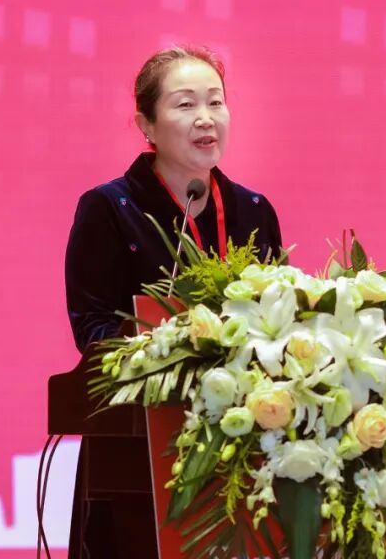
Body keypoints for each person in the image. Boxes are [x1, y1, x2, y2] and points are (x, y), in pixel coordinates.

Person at [64, 45, 283, 558]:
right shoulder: (110, 209)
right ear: (147, 124)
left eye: (216, 102)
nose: (206, 118)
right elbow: (92, 328)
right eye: (185, 105)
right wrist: (174, 347)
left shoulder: (254, 210)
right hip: (139, 443)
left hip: (242, 447)